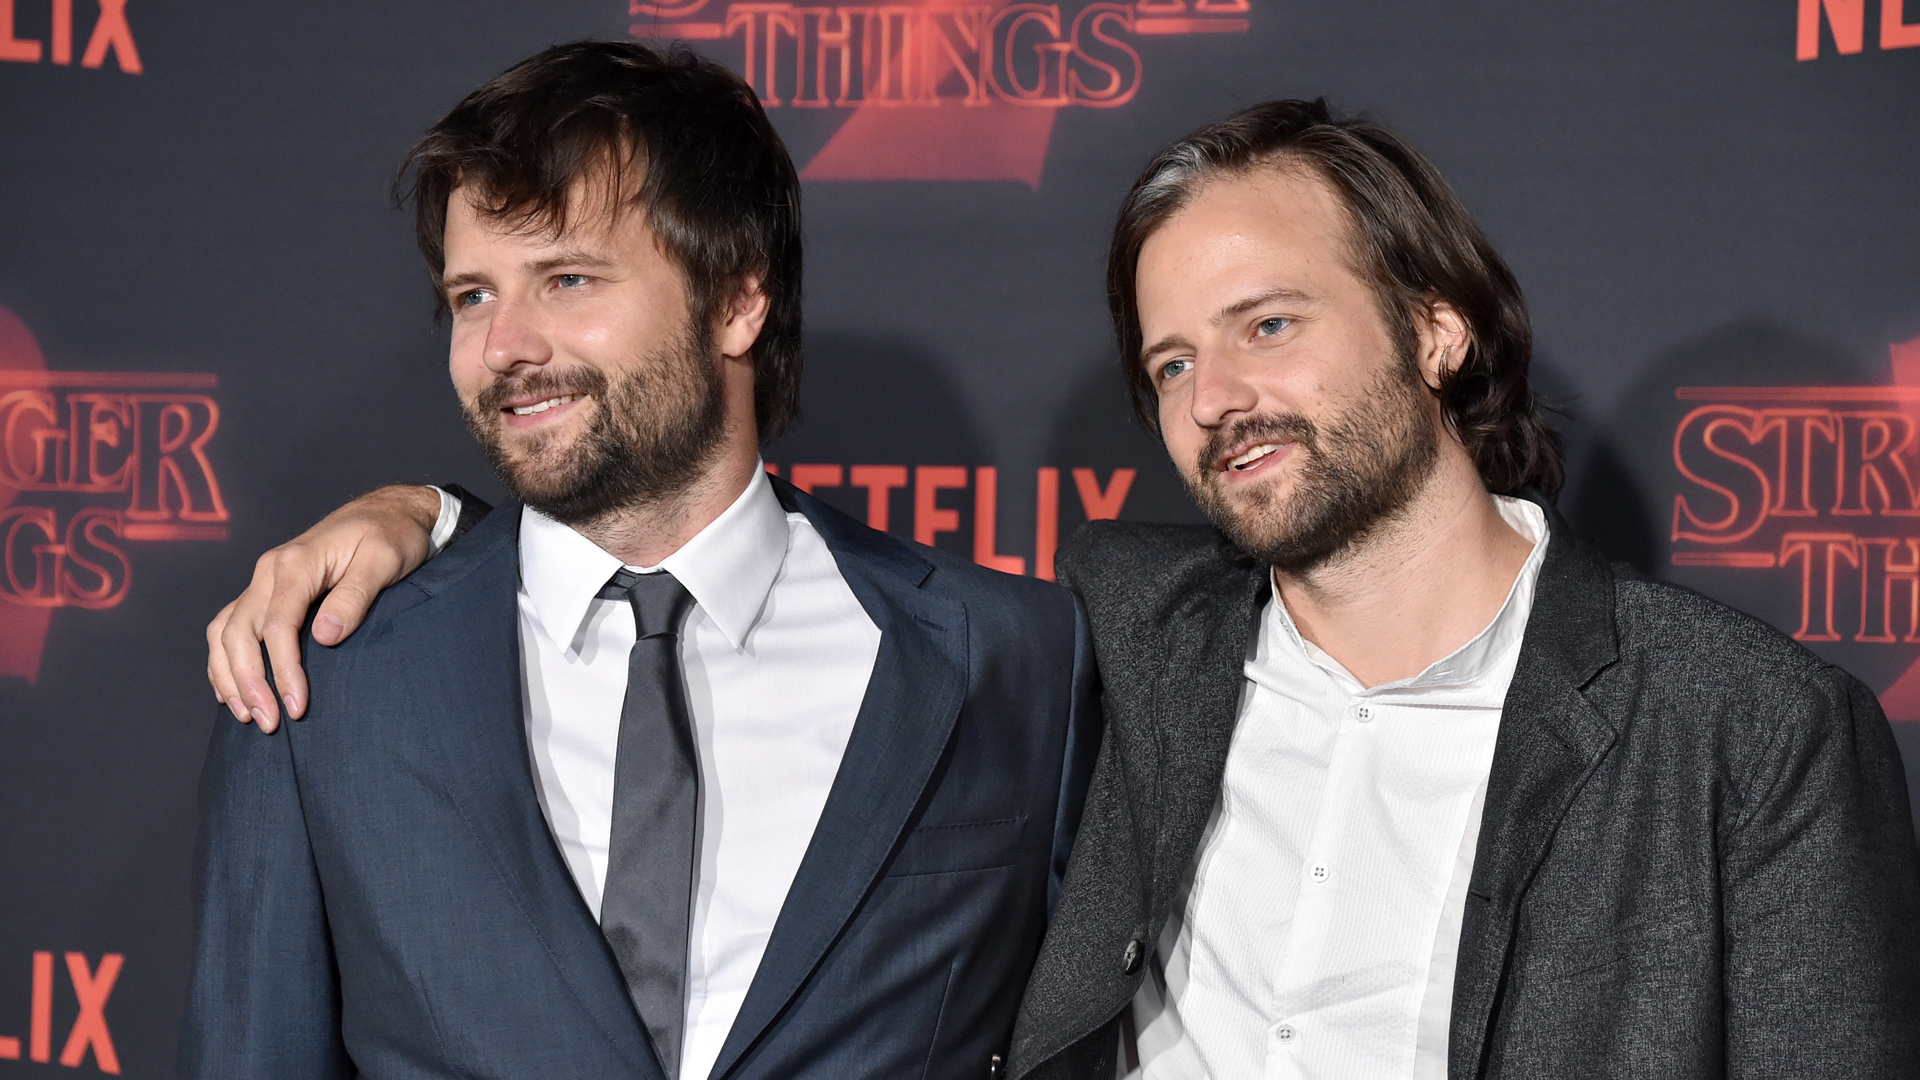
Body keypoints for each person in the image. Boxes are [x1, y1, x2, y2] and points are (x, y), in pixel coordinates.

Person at [207, 100, 1920, 1079]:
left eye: (1268, 324)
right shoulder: (1119, 640)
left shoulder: (1749, 732)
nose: (1218, 397)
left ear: (1435, 325)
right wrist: (431, 519)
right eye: (1171, 362)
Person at [182, 41, 1097, 1080]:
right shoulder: (317, 682)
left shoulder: (1017, 660)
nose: (504, 346)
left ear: (737, 300)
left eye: (566, 279)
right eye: (472, 296)